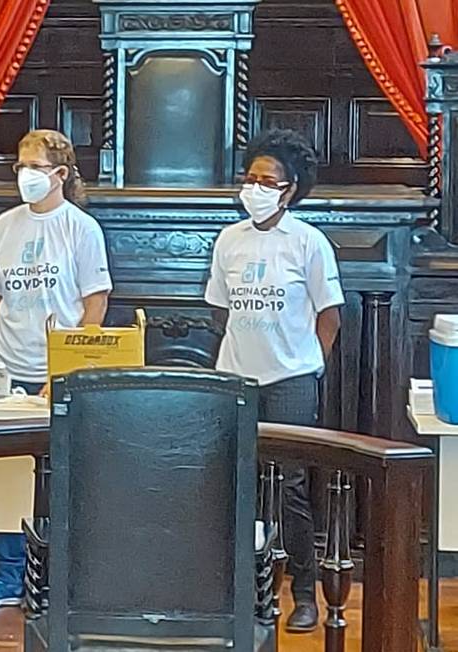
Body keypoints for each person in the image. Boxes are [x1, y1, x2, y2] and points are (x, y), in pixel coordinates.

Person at [205, 128, 343, 633]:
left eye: (267, 181)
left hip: (291, 381)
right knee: (236, 485)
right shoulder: (229, 240)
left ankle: (303, 594)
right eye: (250, 178)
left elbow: (330, 315)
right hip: (236, 379)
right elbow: (220, 309)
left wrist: (310, 362)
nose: (255, 188)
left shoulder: (308, 242)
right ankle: (241, 591)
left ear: (290, 190)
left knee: (291, 488)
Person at [0, 129, 113, 609]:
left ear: (61, 174)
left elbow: (95, 303)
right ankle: (9, 574)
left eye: (35, 167)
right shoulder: (5, 225)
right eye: (20, 166)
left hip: (57, 371)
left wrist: (70, 366)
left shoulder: (81, 229)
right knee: (6, 480)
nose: (24, 175)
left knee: (61, 477)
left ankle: (58, 577)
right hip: (7, 367)